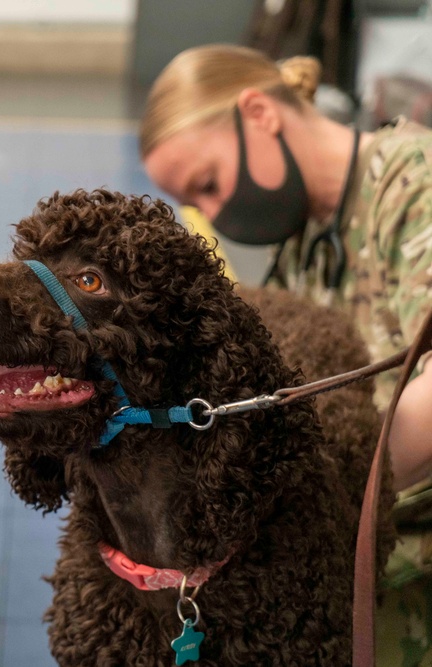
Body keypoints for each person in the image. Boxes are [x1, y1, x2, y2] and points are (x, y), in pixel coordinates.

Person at [140, 43, 432, 666]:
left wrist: (327, 493)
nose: (217, 215)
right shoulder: (305, 240)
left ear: (260, 115)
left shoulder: (414, 182)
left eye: (210, 185)